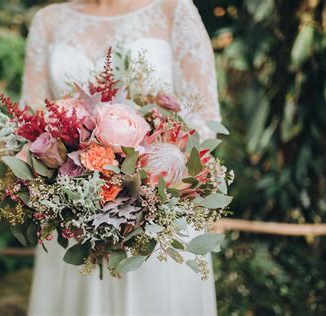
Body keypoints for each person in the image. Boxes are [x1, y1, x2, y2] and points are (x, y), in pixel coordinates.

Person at [21, 0, 221, 315]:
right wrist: (72, 195)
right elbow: (31, 121)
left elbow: (204, 120)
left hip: (157, 220)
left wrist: (147, 189)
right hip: (73, 222)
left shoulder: (173, 9)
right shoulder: (47, 21)